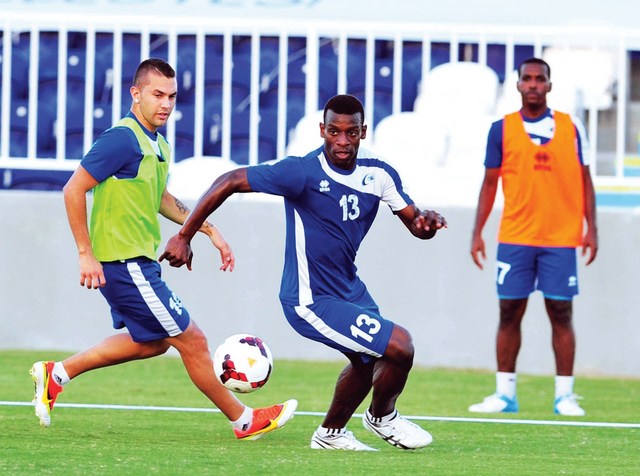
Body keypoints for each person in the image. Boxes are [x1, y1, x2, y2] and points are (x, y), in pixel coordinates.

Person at [160, 94, 447, 451]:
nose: (342, 141)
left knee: (367, 360)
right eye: (334, 131)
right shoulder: (301, 172)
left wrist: (427, 223)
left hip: (349, 289)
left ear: (363, 132)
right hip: (309, 298)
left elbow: (416, 224)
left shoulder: (379, 175)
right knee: (400, 346)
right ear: (322, 130)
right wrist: (185, 234)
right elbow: (231, 179)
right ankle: (383, 417)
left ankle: (330, 434)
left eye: (351, 132)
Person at [29, 58, 297, 439]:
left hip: (138, 263)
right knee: (192, 339)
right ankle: (244, 421)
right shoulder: (121, 139)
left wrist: (208, 229)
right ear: (135, 94)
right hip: (123, 263)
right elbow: (73, 188)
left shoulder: (159, 144)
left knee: (152, 343)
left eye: (171, 96)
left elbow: (161, 198)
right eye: (157, 95)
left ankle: (56, 374)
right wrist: (85, 254)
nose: (166, 103)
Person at [468, 58, 598, 416]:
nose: (534, 84)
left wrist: (592, 228)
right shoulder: (501, 129)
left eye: (540, 79)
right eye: (527, 78)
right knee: (509, 311)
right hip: (515, 236)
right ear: (518, 84)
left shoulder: (572, 127)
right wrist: (477, 232)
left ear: (549, 85)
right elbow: (489, 183)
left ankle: (565, 396)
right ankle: (504, 394)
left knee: (561, 312)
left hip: (561, 238)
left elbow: (585, 179)